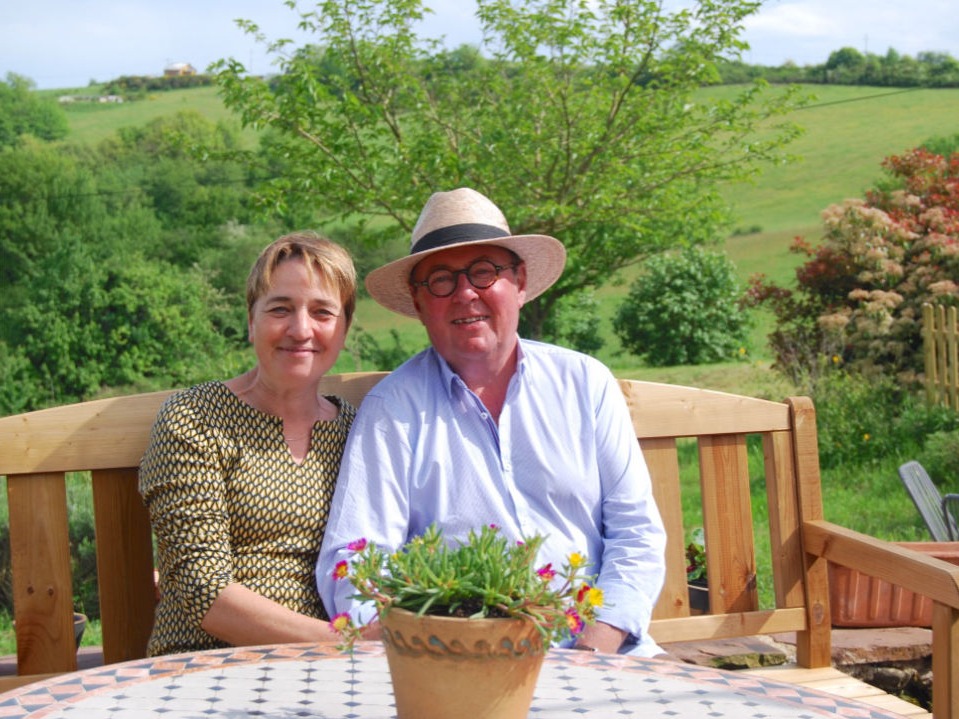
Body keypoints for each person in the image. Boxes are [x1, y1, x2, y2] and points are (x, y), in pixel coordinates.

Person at [317, 188, 668, 656]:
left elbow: (636, 531)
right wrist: (433, 649)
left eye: (484, 272)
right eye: (440, 280)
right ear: (420, 305)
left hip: (605, 652)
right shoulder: (393, 411)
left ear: (519, 282)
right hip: (460, 661)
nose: (465, 293)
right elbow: (357, 558)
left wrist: (597, 644)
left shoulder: (585, 383)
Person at [140, 231, 357, 656]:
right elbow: (201, 587)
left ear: (344, 327)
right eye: (280, 309)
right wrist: (347, 643)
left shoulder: (358, 430)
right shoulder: (196, 418)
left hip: (330, 674)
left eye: (322, 312)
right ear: (250, 321)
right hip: (205, 661)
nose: (301, 329)